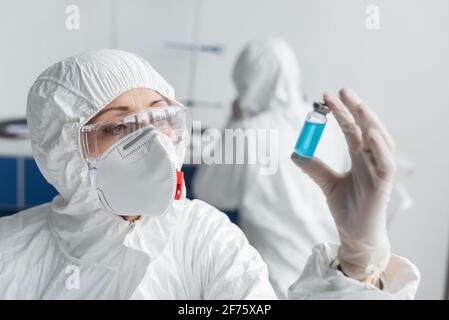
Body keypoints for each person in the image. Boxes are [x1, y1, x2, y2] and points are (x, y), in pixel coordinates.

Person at [0, 49, 418, 299]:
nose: (155, 143)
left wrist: (355, 263)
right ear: (62, 152)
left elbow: (215, 189)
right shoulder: (12, 254)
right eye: (118, 126)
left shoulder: (203, 238)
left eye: (161, 117)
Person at [193, 38, 412, 298]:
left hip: (274, 278)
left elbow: (210, 192)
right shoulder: (328, 126)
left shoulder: (249, 133)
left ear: (246, 82)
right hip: (335, 273)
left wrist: (235, 119)